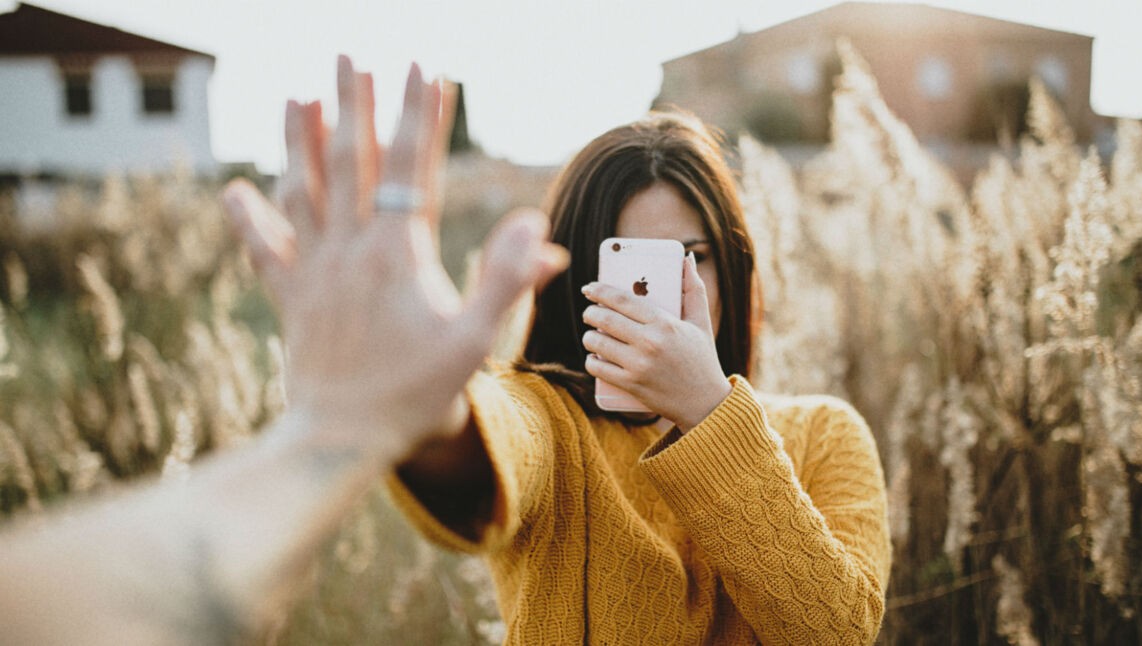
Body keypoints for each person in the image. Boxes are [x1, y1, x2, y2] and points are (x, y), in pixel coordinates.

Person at [253, 60, 892, 644]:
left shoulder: (825, 435)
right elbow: (488, 446)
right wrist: (433, 410)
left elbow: (839, 634)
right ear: (574, 281)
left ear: (733, 265)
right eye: (628, 270)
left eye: (691, 258)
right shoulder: (548, 419)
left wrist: (707, 410)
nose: (657, 300)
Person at [0, 57, 567, 645]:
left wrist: (338, 425)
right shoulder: (559, 413)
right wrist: (345, 423)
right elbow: (522, 445)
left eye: (675, 251)